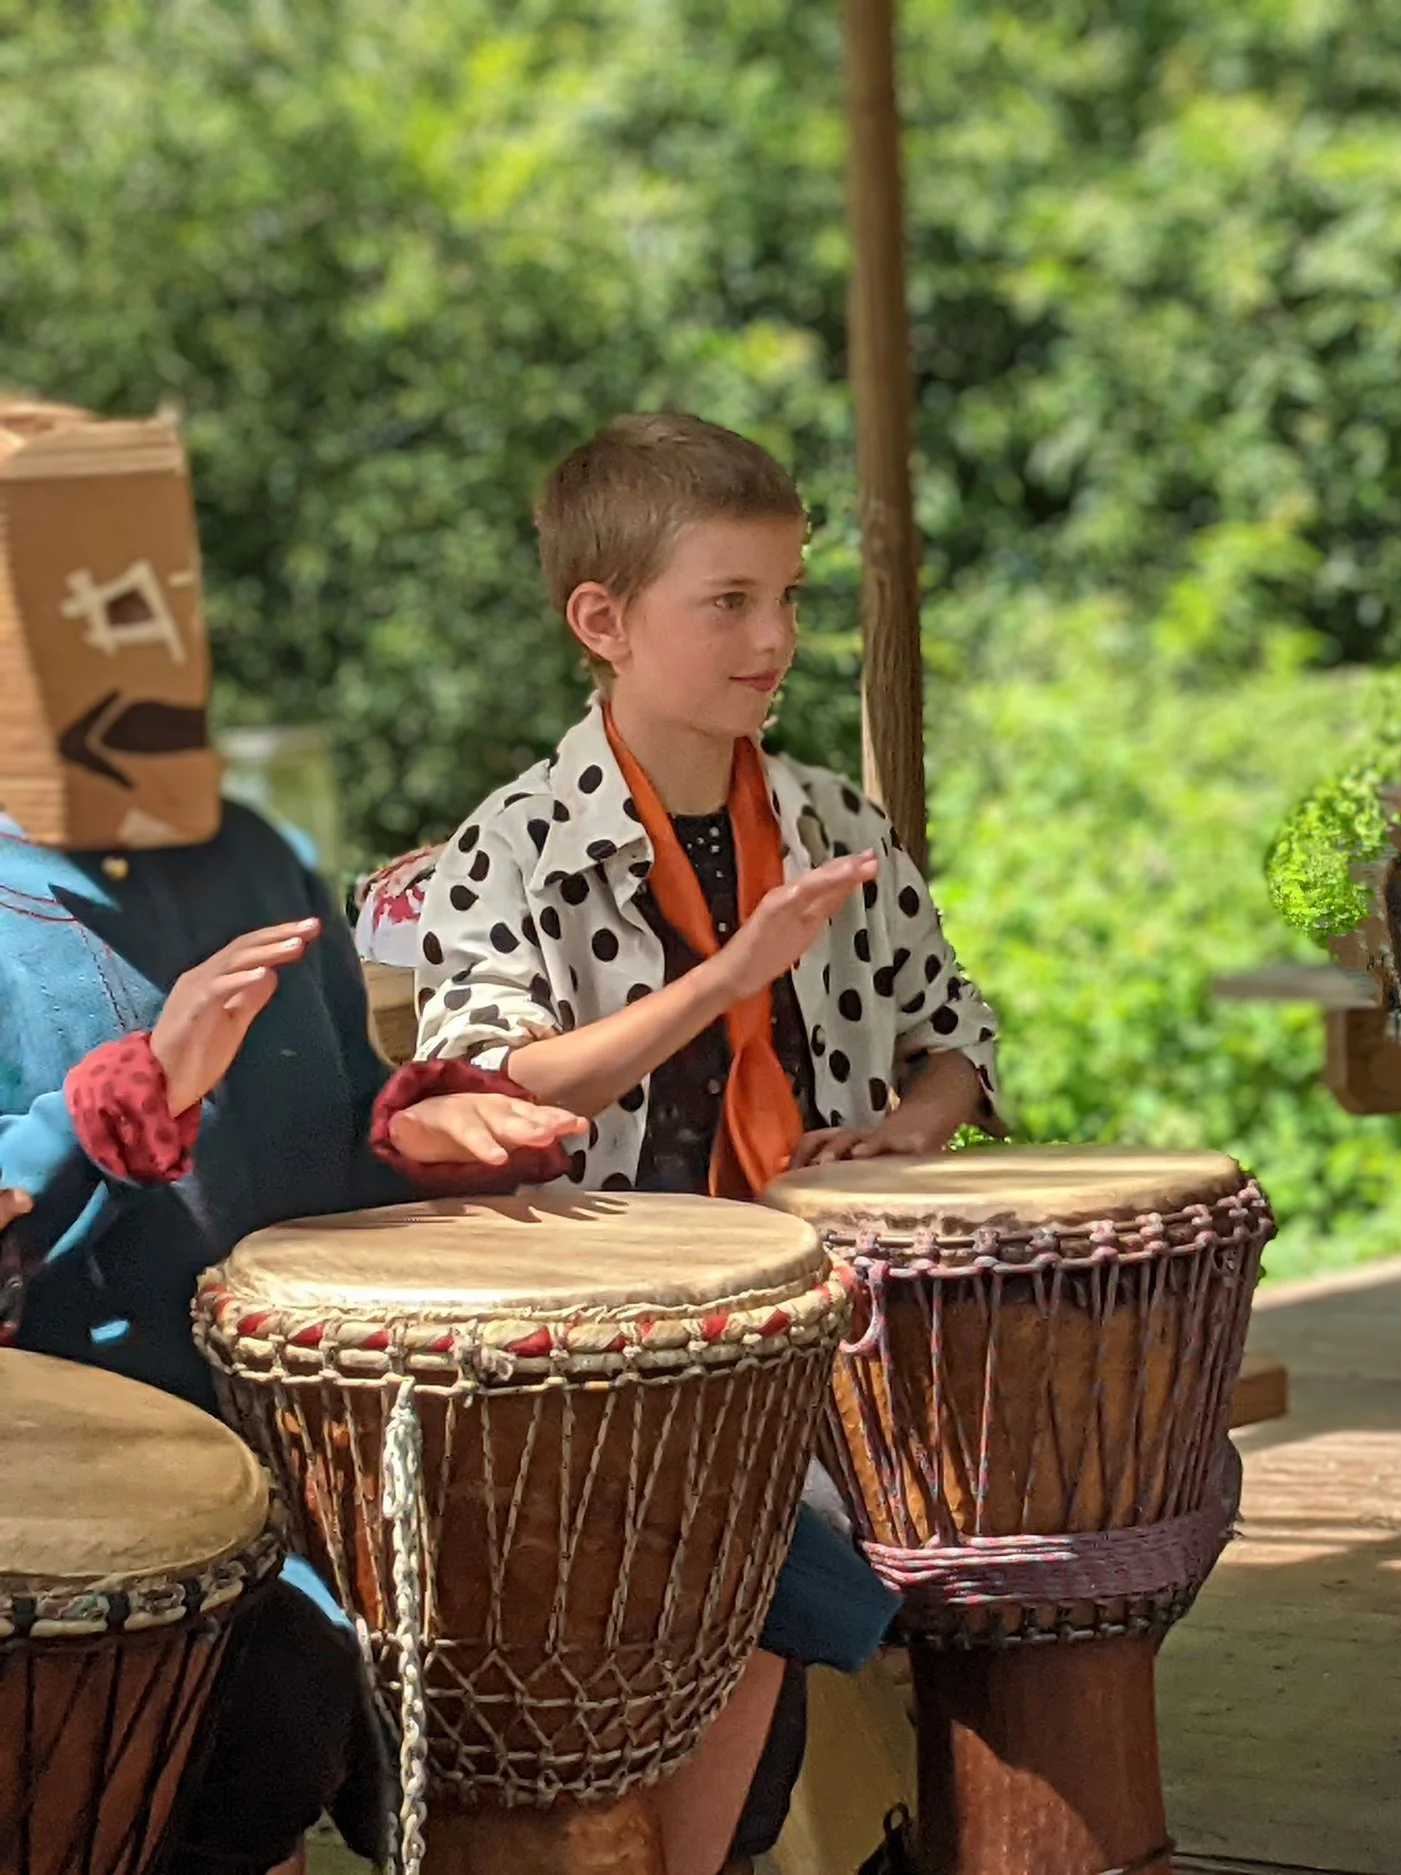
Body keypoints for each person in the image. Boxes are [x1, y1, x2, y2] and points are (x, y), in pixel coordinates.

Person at [0, 396, 585, 1875]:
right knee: (278, 1702)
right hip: (79, 1494)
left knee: (684, 1568)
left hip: (314, 1444)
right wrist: (133, 1093)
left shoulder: (252, 857)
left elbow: (320, 1147)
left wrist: (424, 1131)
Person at [414, 410, 1001, 1872]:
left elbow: (956, 1031)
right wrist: (727, 977)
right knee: (758, 1523)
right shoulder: (513, 844)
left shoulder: (833, 820)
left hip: (829, 1302)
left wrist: (914, 1128)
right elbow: (497, 1082)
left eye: (787, 596)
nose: (775, 638)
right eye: (728, 601)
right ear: (602, 621)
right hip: (613, 1336)